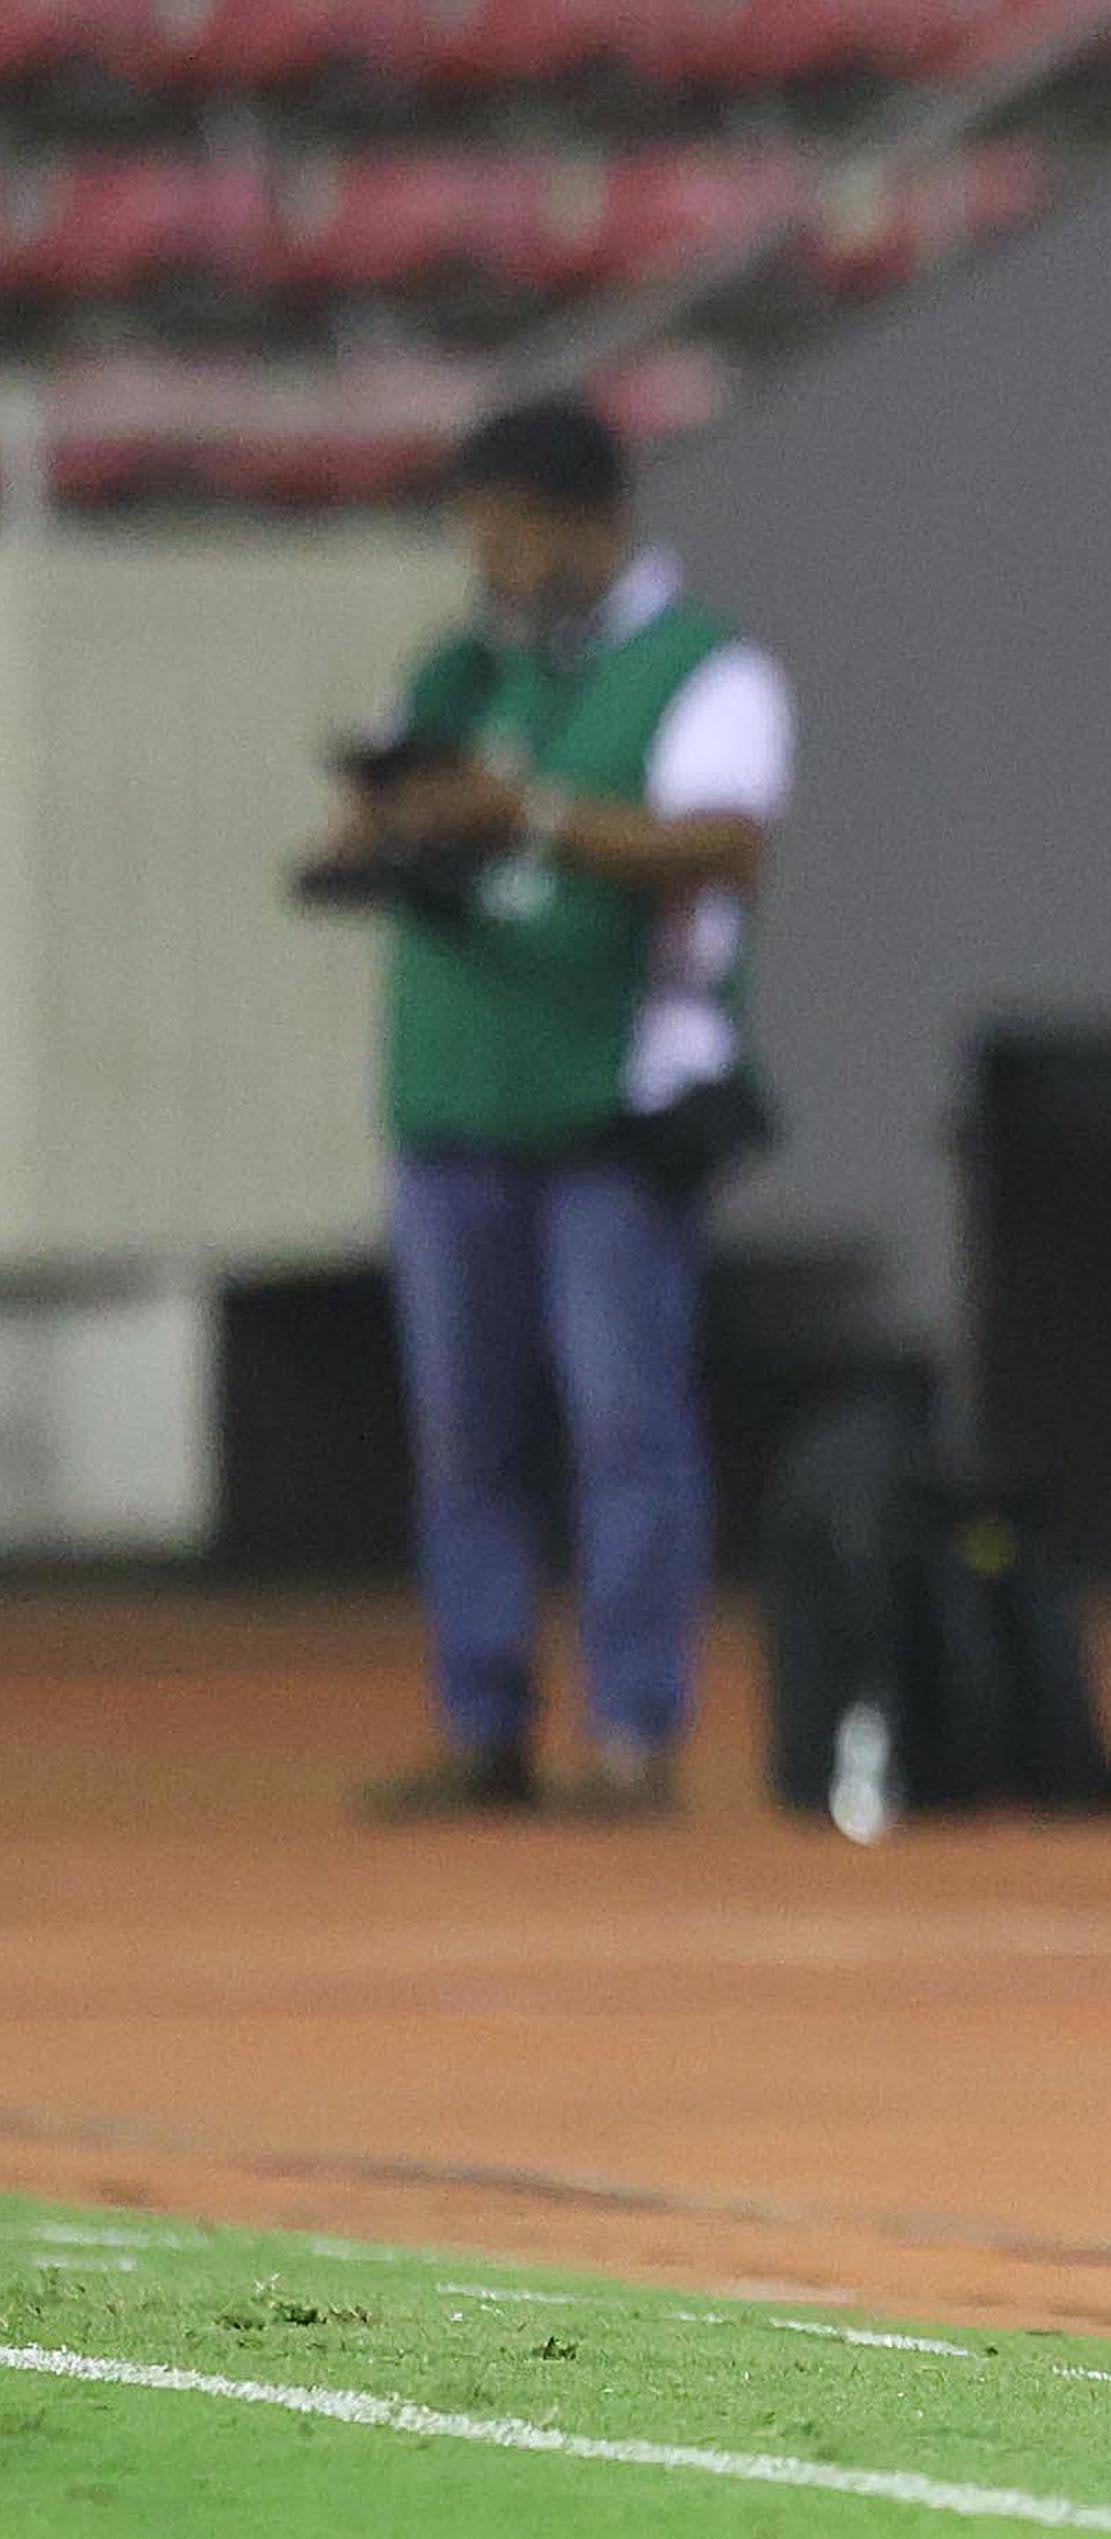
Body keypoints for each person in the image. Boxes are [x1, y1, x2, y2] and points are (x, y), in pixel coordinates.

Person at [328, 398, 790, 1824]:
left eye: (515, 531)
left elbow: (721, 842)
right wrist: (390, 828)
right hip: (458, 1088)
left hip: (608, 1096)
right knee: (463, 1431)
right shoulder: (463, 670)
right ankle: (485, 1723)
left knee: (619, 1419)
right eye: (477, 534)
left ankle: (637, 1729)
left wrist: (523, 817)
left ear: (593, 518)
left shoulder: (705, 670)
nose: (495, 561)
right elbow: (398, 804)